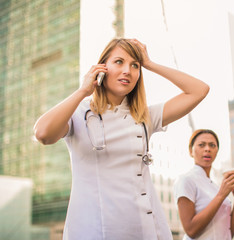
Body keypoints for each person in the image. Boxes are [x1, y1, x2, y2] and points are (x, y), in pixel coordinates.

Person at [33, 38, 209, 240]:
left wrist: (149, 63)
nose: (128, 70)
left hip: (146, 228)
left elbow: (199, 90)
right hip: (94, 229)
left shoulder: (145, 117)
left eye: (135, 65)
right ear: (101, 68)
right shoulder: (79, 113)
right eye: (119, 62)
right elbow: (43, 134)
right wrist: (83, 90)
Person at [173, 129, 234, 240]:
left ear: (217, 151)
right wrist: (221, 195)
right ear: (191, 151)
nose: (207, 149)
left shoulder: (215, 186)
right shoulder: (185, 180)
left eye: (212, 145)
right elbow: (191, 230)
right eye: (201, 145)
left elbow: (228, 233)